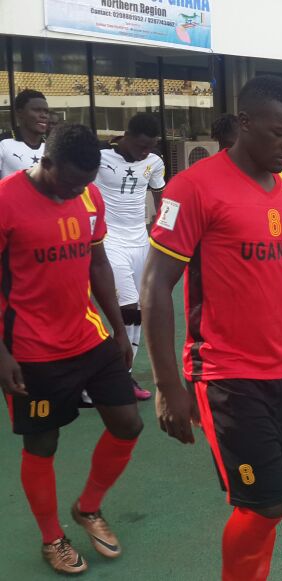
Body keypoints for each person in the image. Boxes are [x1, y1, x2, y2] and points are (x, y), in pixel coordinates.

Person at [142, 76, 282, 581]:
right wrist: (167, 384)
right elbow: (156, 288)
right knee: (264, 504)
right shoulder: (193, 187)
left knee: (272, 496)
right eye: (278, 133)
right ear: (243, 124)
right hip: (223, 373)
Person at [0, 124, 143, 574]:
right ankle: (52, 538)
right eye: (69, 182)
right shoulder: (5, 200)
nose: (77, 191)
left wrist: (119, 330)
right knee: (43, 444)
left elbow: (97, 262)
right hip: (30, 349)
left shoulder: (88, 196)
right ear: (47, 162)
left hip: (87, 337)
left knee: (128, 424)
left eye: (85, 183)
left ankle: (87, 507)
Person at [94, 112, 167, 401]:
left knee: (138, 311)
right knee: (125, 306)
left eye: (149, 147)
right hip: (110, 240)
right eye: (140, 146)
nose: (144, 152)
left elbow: (163, 199)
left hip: (141, 241)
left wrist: (164, 231)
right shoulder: (100, 159)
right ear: (127, 136)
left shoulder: (154, 162)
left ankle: (123, 375)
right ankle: (112, 375)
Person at [0, 89, 49, 178]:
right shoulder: (3, 143)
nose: (44, 115)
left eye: (46, 112)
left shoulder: (51, 146)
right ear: (20, 113)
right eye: (37, 110)